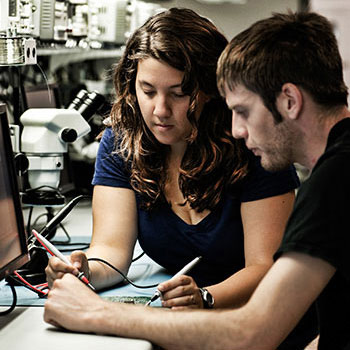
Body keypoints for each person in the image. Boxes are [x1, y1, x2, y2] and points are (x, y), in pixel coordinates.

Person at [44, 9, 348, 350]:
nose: (236, 130)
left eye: (243, 111)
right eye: (148, 91)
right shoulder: (334, 173)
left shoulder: (334, 181)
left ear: (290, 101)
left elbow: (254, 333)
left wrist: (94, 313)